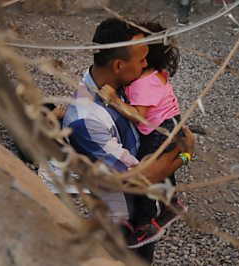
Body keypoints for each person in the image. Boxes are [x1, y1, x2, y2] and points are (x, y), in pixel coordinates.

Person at [62, 18, 194, 264]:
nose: (147, 64)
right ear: (119, 65)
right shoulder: (87, 121)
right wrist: (186, 155)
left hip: (147, 208)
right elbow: (137, 180)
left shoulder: (118, 84)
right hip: (125, 224)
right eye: (142, 60)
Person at [100, 21, 190, 248]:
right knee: (166, 166)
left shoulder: (143, 83)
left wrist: (113, 99)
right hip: (171, 126)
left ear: (145, 57)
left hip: (161, 131)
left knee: (148, 173)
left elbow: (138, 116)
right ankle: (171, 204)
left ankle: (144, 225)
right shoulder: (155, 74)